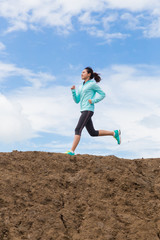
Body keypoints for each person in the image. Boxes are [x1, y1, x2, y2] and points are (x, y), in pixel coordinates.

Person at [65, 67, 121, 155]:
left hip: (88, 110)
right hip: (83, 110)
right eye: (81, 72)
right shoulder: (81, 87)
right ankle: (114, 133)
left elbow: (103, 94)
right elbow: (77, 100)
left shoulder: (92, 84)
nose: (81, 74)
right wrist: (73, 91)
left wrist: (93, 100)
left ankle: (71, 151)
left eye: (83, 72)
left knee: (78, 129)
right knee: (92, 132)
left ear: (89, 74)